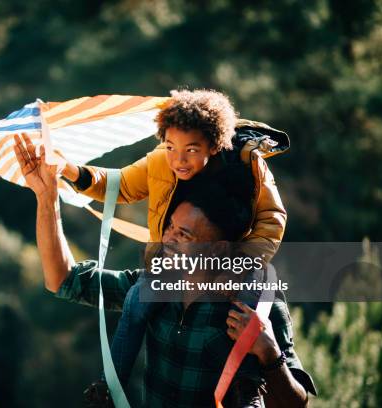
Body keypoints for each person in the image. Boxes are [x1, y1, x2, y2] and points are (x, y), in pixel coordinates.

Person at [12, 134, 316, 407]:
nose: (168, 239)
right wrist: (47, 195)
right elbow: (62, 280)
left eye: (184, 235)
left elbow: (295, 404)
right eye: (170, 227)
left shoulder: (257, 302)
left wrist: (269, 354)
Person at [58, 89, 289, 388]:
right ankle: (108, 385)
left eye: (191, 149)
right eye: (170, 146)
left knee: (243, 322)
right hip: (175, 263)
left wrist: (237, 266)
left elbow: (272, 220)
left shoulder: (247, 163)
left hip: (232, 264)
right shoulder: (159, 161)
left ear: (215, 145)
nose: (178, 159)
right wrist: (68, 170)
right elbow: (120, 185)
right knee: (136, 304)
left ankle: (246, 392)